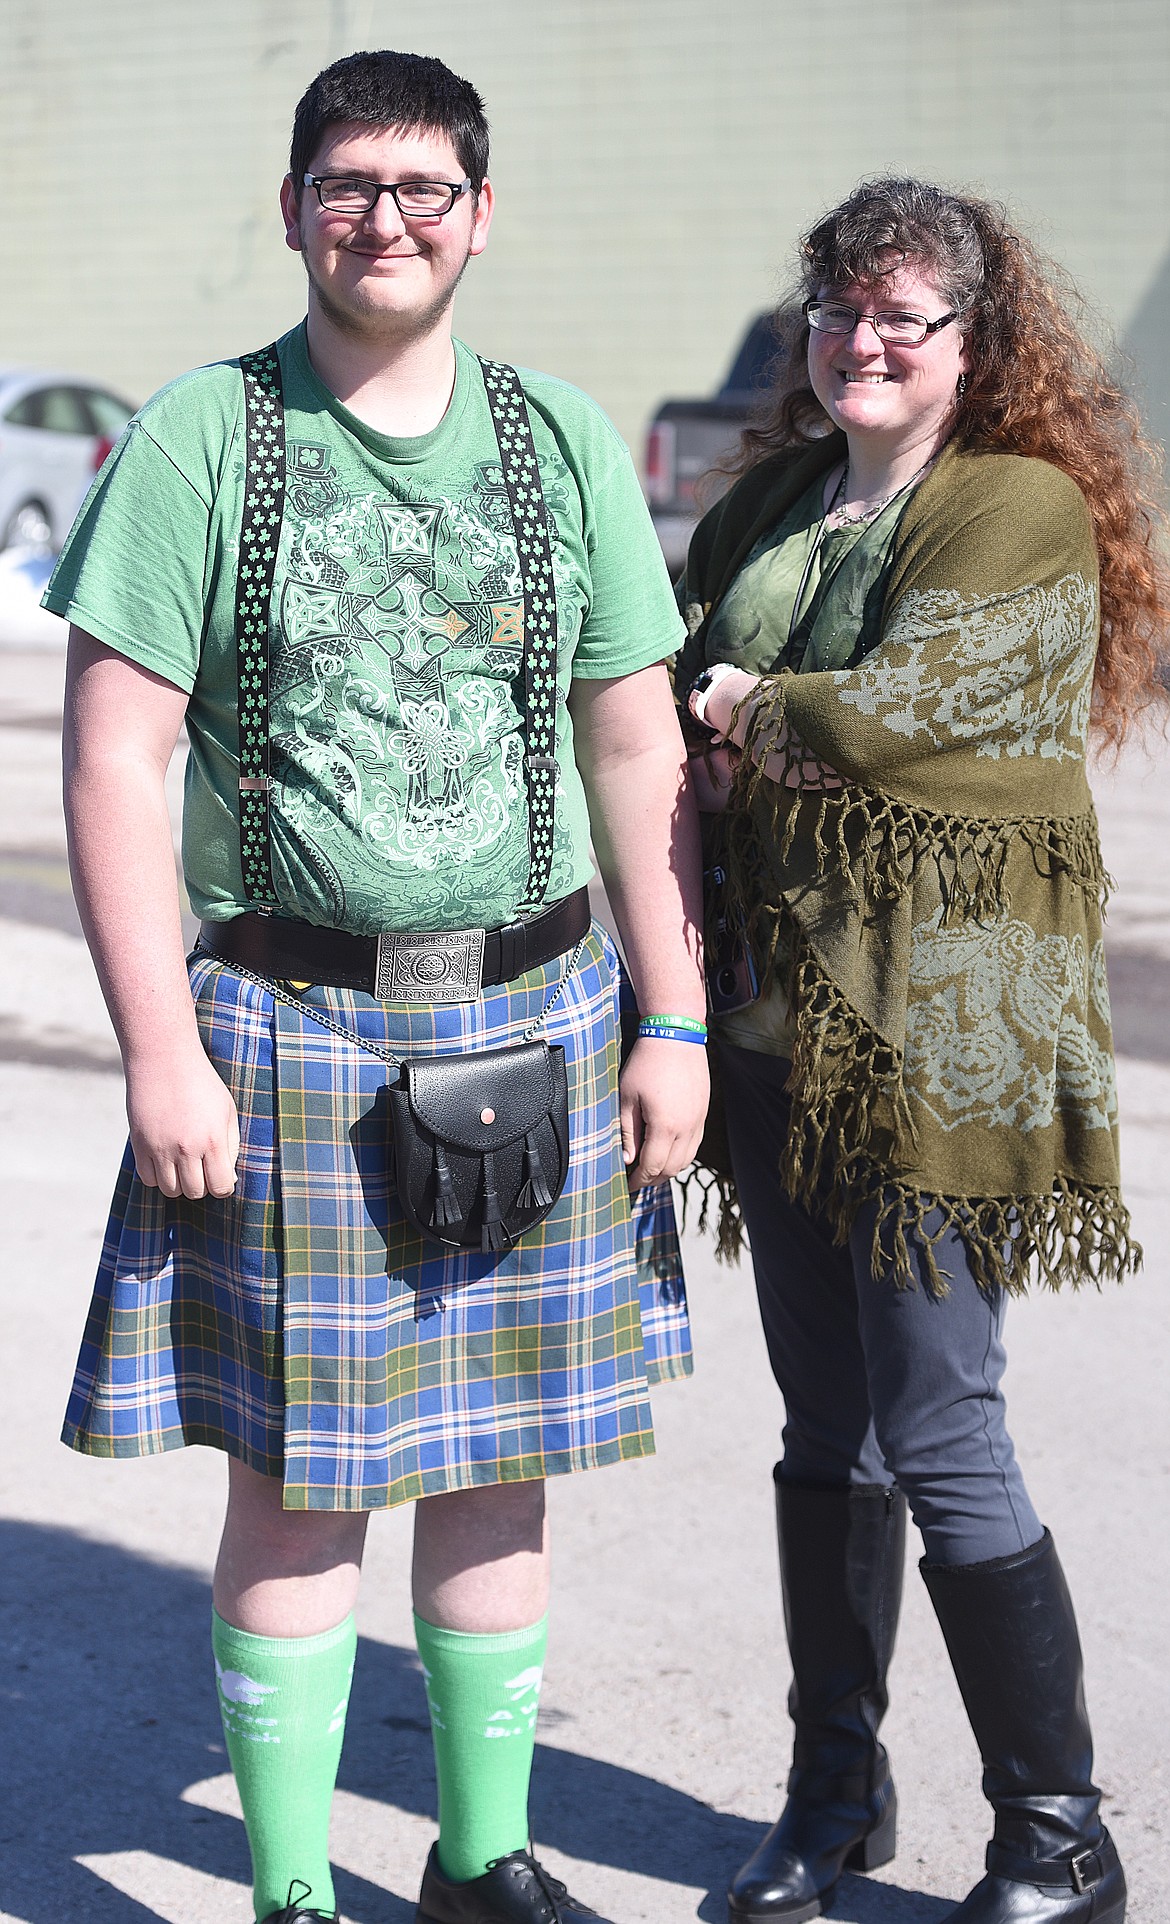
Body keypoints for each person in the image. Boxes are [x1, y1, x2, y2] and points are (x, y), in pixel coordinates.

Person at [50, 50, 709, 1924]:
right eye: (349, 186)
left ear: (479, 216)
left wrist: (671, 1016)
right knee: (299, 1482)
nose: (386, 220)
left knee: (504, 1473)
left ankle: (482, 1861)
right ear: (292, 210)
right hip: (286, 1027)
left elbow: (632, 743)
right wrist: (159, 1047)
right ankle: (286, 1895)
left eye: (425, 190)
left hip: (548, 1015)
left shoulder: (558, 437)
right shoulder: (202, 436)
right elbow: (113, 758)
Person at [679, 176, 1167, 1924]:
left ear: (975, 343)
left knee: (941, 1427)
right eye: (836, 309)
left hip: (947, 1031)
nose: (861, 341)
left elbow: (900, 717)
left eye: (903, 315)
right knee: (827, 1430)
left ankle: (1055, 1835)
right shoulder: (772, 508)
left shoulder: (1016, 507)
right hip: (775, 1027)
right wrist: (724, 727)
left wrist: (754, 714)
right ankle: (833, 1799)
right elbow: (664, 710)